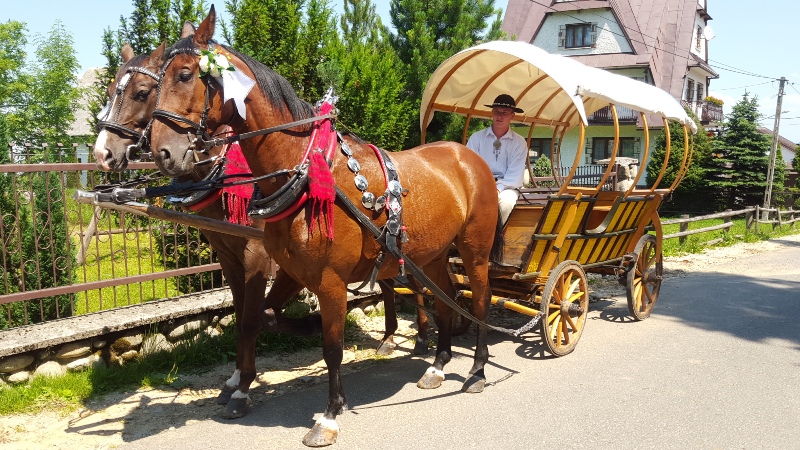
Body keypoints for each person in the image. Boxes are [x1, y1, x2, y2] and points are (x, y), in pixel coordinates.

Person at [466, 94, 528, 226]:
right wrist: (485, 186)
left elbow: (514, 175)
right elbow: (469, 167)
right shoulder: (476, 138)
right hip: (480, 185)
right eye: (496, 112)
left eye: (504, 113)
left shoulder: (519, 142)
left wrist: (498, 188)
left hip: (507, 188)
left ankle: (494, 237)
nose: (500, 116)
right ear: (492, 114)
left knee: (505, 203)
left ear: (512, 116)